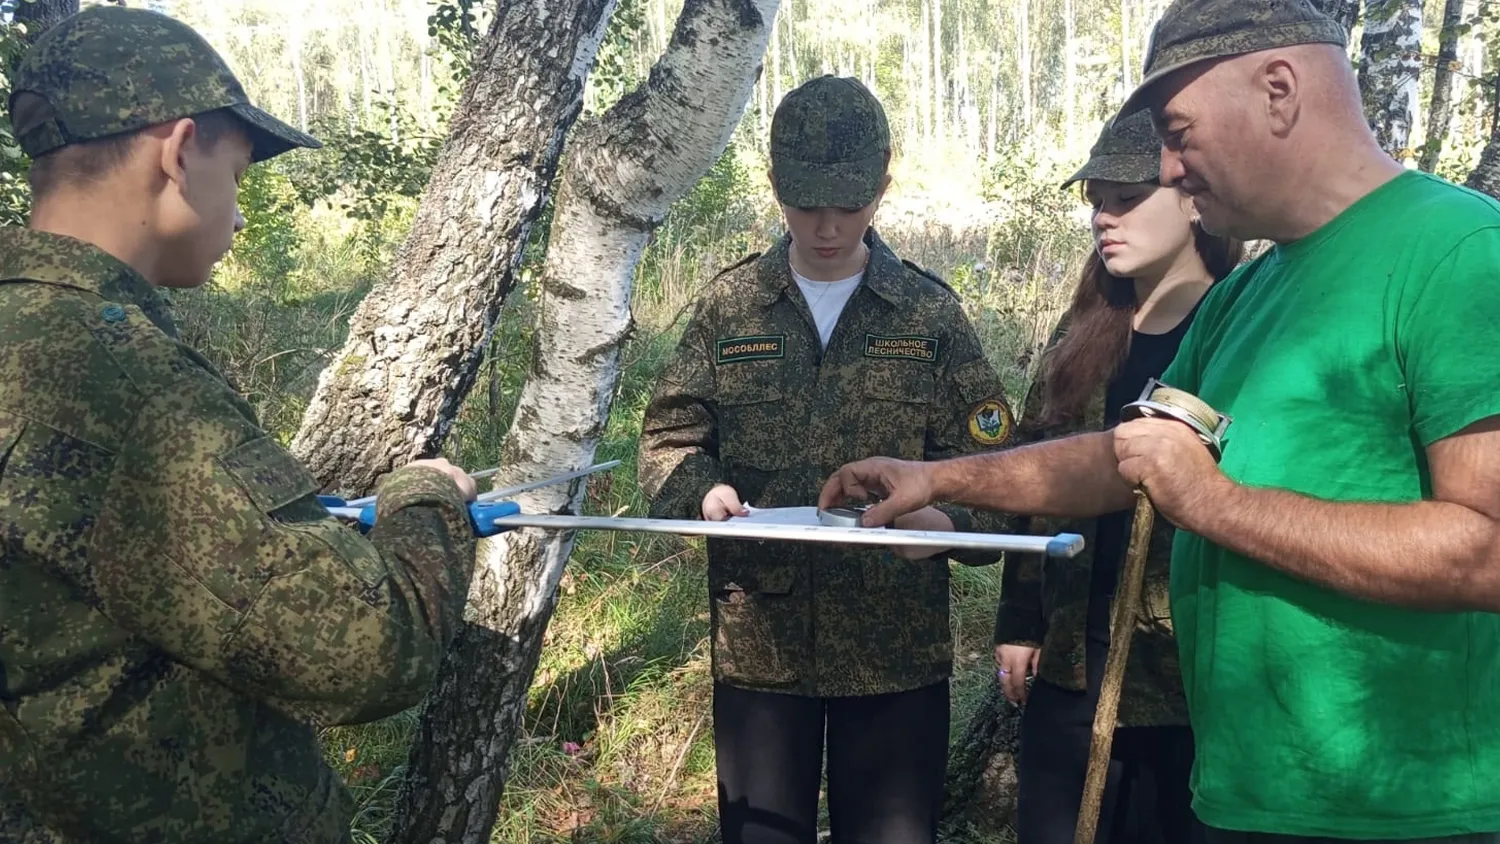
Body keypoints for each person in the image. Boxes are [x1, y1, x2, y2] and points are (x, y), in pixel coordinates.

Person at [819, 1, 1500, 842]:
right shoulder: (1251, 297)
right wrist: (937, 477)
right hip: (1241, 797)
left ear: (1279, 89)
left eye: (1180, 133)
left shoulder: (1461, 255)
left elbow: (1488, 550)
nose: (1172, 168)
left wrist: (1211, 503)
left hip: (1408, 813)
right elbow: (1123, 459)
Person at [0, 7, 481, 844]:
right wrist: (423, 498)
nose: (241, 212)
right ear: (180, 151)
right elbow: (368, 648)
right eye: (241, 172)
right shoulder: (120, 376)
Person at [637, 74, 1019, 844]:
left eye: (848, 204)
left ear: (882, 184)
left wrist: (939, 518)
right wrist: (704, 494)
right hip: (760, 650)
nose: (826, 227)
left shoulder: (928, 314)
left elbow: (996, 474)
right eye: (806, 203)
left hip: (894, 656)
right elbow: (667, 440)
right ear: (775, 184)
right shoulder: (731, 307)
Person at [995, 108, 1241, 844]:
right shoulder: (1081, 341)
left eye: (1128, 199)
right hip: (1074, 665)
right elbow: (1032, 485)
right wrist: (1019, 621)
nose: (1105, 217)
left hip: (1187, 686)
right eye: (1096, 200)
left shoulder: (1236, 331)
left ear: (1193, 196)